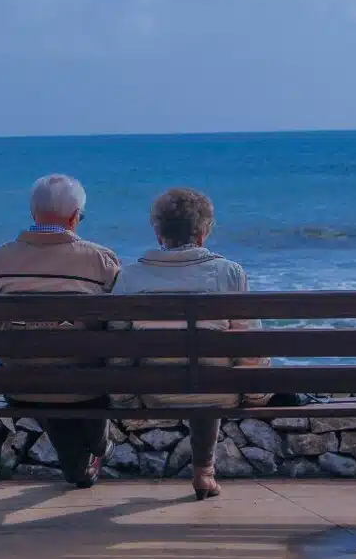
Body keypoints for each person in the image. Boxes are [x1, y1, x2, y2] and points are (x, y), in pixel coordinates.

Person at [110, 187, 278, 500]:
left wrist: (125, 398)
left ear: (159, 233)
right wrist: (254, 395)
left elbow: (118, 348)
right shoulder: (229, 273)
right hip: (219, 391)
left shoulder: (130, 277)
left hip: (154, 393)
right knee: (208, 373)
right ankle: (204, 472)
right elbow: (249, 345)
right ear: (202, 234)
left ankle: (204, 472)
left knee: (197, 369)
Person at [0, 174, 120, 488]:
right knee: (78, 370)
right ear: (74, 218)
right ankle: (98, 448)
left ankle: (83, 465)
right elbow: (116, 325)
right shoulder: (100, 260)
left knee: (42, 367)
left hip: (20, 384)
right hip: (87, 385)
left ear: (33, 214)